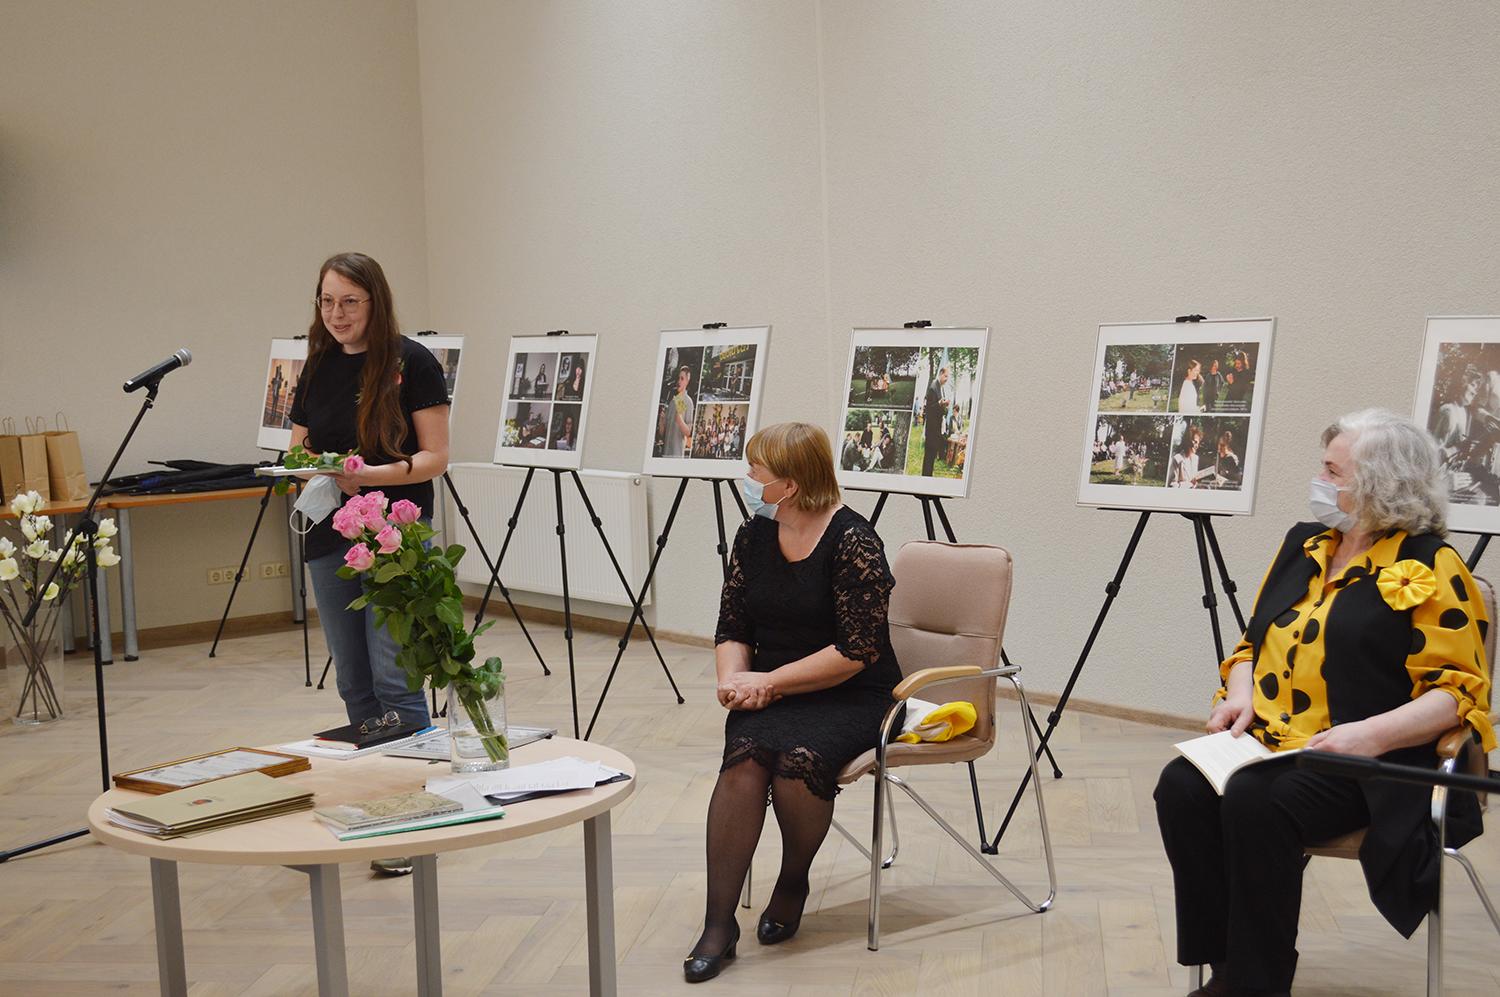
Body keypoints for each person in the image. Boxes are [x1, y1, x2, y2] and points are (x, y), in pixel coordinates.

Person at [1154, 409, 1493, 997]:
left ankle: (1258, 984)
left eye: (1334, 472)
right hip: (1276, 740)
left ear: (1380, 486)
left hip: (1370, 757)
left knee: (1257, 801)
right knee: (1181, 787)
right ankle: (1225, 965)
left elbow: (1456, 694)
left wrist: (1369, 737)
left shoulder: (1434, 566)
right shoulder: (1304, 544)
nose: (1321, 482)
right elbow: (1254, 642)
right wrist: (1239, 696)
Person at [684, 422, 902, 983]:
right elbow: (732, 622)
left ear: (792, 481)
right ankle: (718, 924)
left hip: (853, 692)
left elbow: (858, 651)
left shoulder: (854, 541)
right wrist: (734, 680)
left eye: (758, 470)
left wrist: (770, 682)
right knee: (745, 762)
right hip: (771, 684)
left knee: (794, 765)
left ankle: (794, 878)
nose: (749, 478)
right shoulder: (753, 536)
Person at [290, 253, 449, 876]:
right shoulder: (319, 363)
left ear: (375, 302)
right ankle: (379, 804)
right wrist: (305, 466)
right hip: (331, 535)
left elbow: (435, 456)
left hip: (395, 538)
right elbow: (300, 443)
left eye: (349, 302)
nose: (336, 315)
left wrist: (373, 476)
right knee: (354, 680)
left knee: (395, 678)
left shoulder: (413, 362)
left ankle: (414, 816)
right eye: (327, 302)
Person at [921, 366, 951, 475]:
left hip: (936, 428)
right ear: (941, 374)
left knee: (932, 454)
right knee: (929, 455)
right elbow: (929, 409)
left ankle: (928, 474)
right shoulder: (933, 387)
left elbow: (938, 406)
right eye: (946, 376)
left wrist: (944, 406)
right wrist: (940, 404)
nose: (947, 379)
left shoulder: (940, 387)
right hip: (932, 429)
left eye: (948, 377)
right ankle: (926, 476)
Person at [665, 365, 695, 457]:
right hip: (665, 454)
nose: (678, 381)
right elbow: (663, 432)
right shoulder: (672, 401)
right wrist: (662, 422)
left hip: (676, 456)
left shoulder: (688, 402)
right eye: (678, 378)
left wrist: (680, 420)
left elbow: (688, 432)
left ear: (687, 381)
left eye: (682, 379)